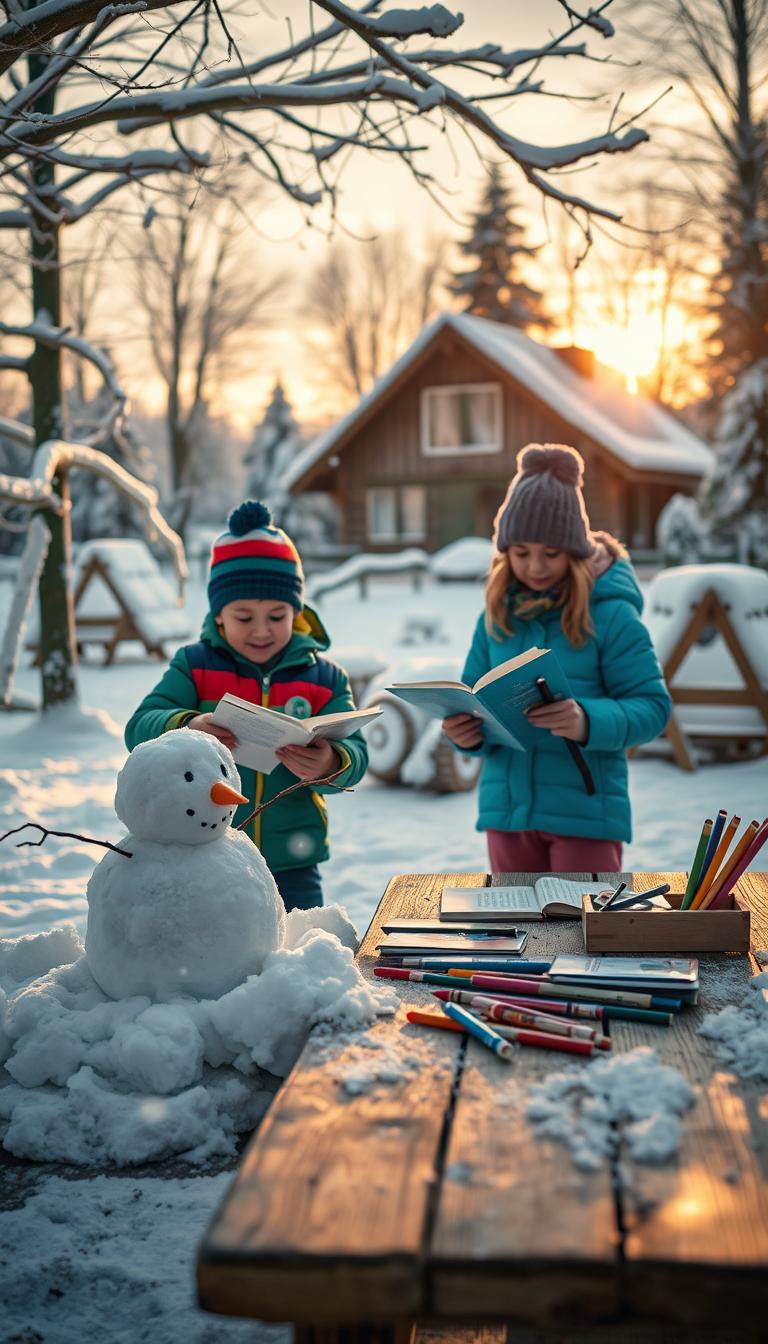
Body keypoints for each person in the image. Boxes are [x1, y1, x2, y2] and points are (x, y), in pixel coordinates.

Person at [125, 500, 368, 911]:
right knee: (212, 955)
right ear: (219, 616)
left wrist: (330, 763)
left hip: (293, 856)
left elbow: (359, 753)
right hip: (204, 850)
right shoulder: (195, 665)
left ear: (298, 611)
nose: (261, 630)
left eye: (277, 615)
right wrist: (188, 724)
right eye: (243, 616)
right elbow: (139, 729)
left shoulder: (324, 678)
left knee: (297, 954)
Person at [442, 443, 672, 873]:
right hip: (507, 812)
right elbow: (472, 697)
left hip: (586, 814)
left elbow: (654, 708)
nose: (535, 566)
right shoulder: (494, 617)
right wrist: (464, 732)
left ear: (575, 549)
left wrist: (587, 720)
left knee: (581, 937)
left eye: (551, 552)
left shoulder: (611, 614)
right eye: (521, 551)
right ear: (504, 551)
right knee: (519, 935)